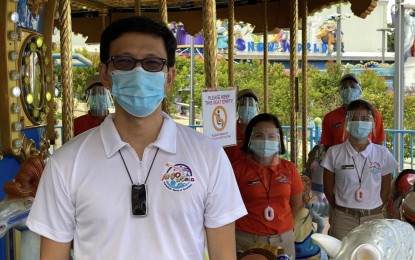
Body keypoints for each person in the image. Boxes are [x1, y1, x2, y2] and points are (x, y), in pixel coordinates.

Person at [26, 16, 247, 259]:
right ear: (105, 74)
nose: (139, 72)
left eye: (152, 63)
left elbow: (223, 254)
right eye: (124, 62)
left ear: (169, 77)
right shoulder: (66, 164)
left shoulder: (209, 157)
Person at [321, 99, 398, 240]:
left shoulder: (382, 153)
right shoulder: (334, 152)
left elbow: (386, 190)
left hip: (374, 218)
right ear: (347, 122)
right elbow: (328, 190)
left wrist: (373, 208)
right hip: (343, 219)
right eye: (354, 118)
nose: (359, 122)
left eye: (364, 118)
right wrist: (342, 209)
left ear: (373, 123)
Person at [232, 113, 304, 259]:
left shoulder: (289, 169)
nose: (265, 140)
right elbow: (228, 207)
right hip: (246, 240)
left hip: (283, 240)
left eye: (271, 136)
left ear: (279, 140)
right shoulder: (237, 169)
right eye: (259, 135)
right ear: (249, 139)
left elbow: (296, 204)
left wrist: (281, 225)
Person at [320, 73, 385, 150]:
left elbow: (379, 141)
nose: (349, 90)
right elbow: (327, 145)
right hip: (339, 160)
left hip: (368, 160)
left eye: (353, 86)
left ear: (360, 89)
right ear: (340, 91)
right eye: (344, 87)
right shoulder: (330, 117)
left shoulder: (373, 114)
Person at [224, 89, 260, 164]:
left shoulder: (261, 133)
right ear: (236, 107)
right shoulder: (226, 133)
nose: (247, 107)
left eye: (251, 104)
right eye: (243, 103)